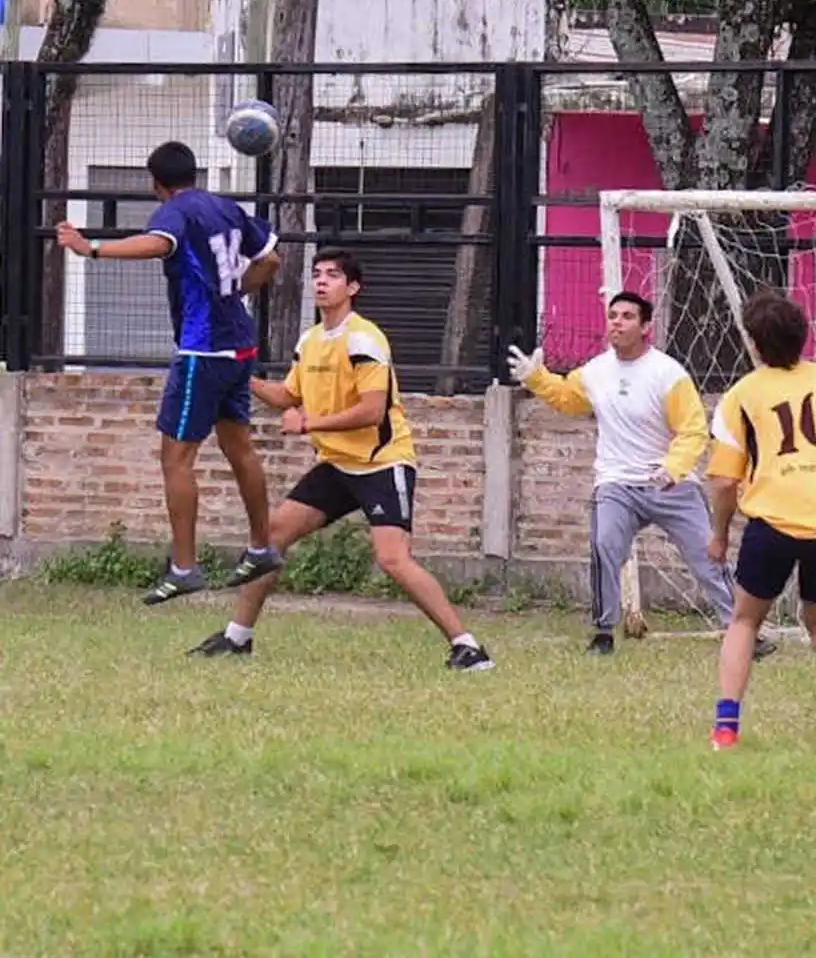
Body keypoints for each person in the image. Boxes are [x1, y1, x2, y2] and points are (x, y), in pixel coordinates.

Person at [187, 247, 495, 672]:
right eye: (317, 273)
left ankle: (468, 647)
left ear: (352, 287)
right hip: (337, 464)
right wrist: (242, 377)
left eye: (332, 275)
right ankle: (238, 638)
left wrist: (309, 424)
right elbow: (288, 397)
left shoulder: (364, 338)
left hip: (381, 461)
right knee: (270, 538)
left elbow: (371, 410)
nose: (321, 281)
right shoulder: (310, 340)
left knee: (393, 559)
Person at [55, 141, 283, 605]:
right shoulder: (226, 207)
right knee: (238, 445)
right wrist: (239, 292)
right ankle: (261, 546)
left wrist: (90, 247)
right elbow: (271, 260)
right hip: (240, 345)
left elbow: (159, 244)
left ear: (155, 183)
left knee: (175, 459)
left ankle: (184, 567)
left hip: (203, 350)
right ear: (194, 173)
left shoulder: (175, 212)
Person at [508, 291, 776, 660]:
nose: (617, 322)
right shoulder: (596, 371)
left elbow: (694, 429)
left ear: (645, 326)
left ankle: (745, 634)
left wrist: (674, 466)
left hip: (670, 483)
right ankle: (603, 633)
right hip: (616, 483)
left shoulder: (668, 374)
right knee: (604, 546)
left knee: (708, 556)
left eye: (627, 316)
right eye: (613, 315)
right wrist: (536, 378)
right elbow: (570, 399)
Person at [706, 289, 816, 751]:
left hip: (775, 521)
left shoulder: (741, 396)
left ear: (754, 344)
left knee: (745, 621)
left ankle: (726, 728)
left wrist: (719, 535)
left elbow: (725, 482)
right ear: (805, 336)